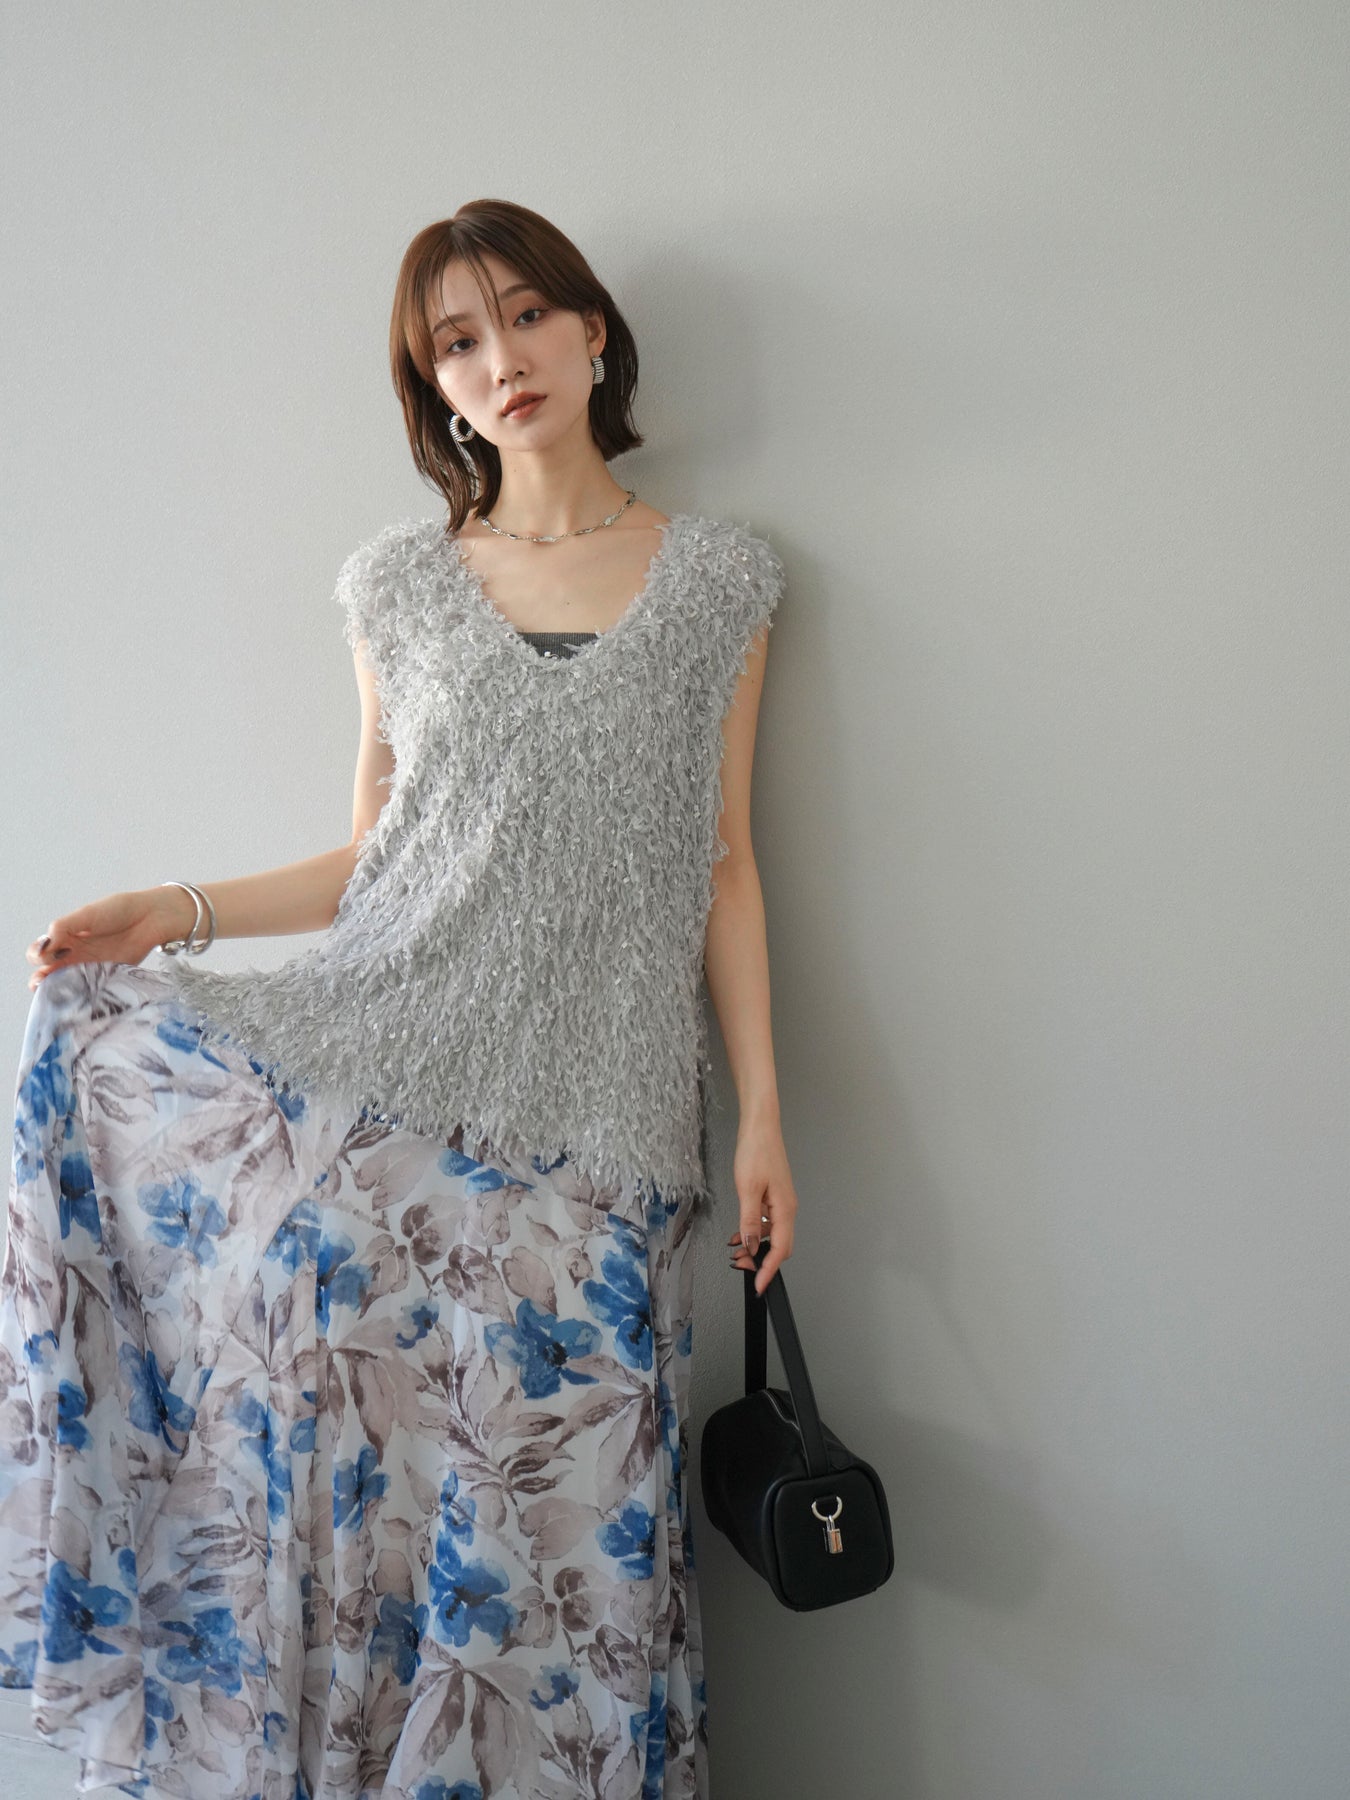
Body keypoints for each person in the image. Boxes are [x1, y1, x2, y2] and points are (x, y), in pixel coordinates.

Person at [1, 196, 799, 1800]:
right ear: (432, 386)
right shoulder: (396, 586)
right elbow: (378, 855)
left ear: (591, 332)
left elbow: (721, 861)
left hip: (607, 1135)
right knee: (369, 1511)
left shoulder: (723, 578)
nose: (500, 360)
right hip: (390, 1115)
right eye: (455, 342)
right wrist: (182, 909)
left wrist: (765, 1117)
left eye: (525, 317)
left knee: (568, 1552)